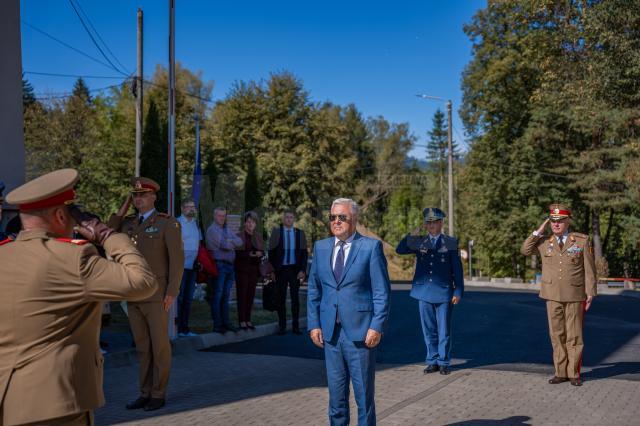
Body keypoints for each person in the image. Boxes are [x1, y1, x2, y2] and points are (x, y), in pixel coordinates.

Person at [0, 169, 156, 425]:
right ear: (61, 215)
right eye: (73, 215)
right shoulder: (72, 259)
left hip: (7, 406)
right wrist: (106, 234)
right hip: (54, 406)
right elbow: (142, 281)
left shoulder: (3, 255)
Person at [307, 198, 391, 426]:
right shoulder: (321, 247)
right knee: (336, 400)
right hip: (331, 335)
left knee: (364, 399)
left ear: (354, 219)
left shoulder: (370, 248)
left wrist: (376, 326)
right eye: (332, 217)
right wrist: (314, 324)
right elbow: (314, 289)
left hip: (361, 335)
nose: (336, 221)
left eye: (341, 217)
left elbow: (381, 292)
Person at [108, 177, 184, 411]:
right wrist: (122, 208)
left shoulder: (166, 223)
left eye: (142, 195)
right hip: (134, 294)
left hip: (157, 294)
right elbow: (109, 232)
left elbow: (177, 261)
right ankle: (144, 392)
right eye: (135, 195)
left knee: (159, 346)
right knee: (142, 347)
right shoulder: (129, 223)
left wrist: (172, 292)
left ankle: (158, 394)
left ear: (153, 197)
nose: (138, 198)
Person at [521, 203, 597, 387]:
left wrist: (590, 292)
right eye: (553, 221)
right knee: (556, 335)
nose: (556, 224)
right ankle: (560, 372)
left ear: (568, 221)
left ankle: (574, 373)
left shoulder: (580, 240)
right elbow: (525, 250)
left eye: (560, 221)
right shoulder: (544, 241)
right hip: (552, 294)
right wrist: (539, 230)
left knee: (574, 336)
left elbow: (589, 269)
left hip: (574, 293)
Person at [395, 207, 464, 375]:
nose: (431, 225)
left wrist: (458, 291)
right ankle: (432, 360)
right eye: (428, 222)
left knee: (444, 330)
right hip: (423, 292)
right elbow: (400, 249)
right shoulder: (420, 242)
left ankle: (444, 361)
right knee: (428, 329)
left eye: (434, 222)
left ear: (441, 223)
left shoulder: (450, 242)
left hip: (444, 292)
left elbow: (457, 269)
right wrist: (414, 232)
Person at [268, 209, 308, 335]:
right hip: (281, 270)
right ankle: (282, 326)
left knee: (295, 299)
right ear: (283, 219)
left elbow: (304, 254)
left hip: (294, 270)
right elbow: (271, 253)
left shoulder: (299, 234)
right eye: (287, 217)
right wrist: (272, 271)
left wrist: (302, 270)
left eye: (291, 217)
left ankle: (295, 327)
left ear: (293, 219)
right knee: (281, 299)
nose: (289, 219)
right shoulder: (276, 233)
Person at [205, 207, 243, 333]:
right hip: (219, 265)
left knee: (226, 296)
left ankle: (226, 323)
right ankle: (217, 325)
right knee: (218, 295)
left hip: (230, 266)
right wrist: (230, 241)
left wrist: (230, 241)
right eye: (219, 216)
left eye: (223, 216)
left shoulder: (226, 229)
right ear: (214, 216)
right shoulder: (212, 230)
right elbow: (226, 246)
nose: (222, 218)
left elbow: (240, 242)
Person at [234, 211, 265, 330]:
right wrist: (251, 254)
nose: (250, 224)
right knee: (242, 295)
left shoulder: (258, 236)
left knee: (250, 296)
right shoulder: (239, 236)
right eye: (248, 222)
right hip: (242, 270)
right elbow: (237, 253)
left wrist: (260, 254)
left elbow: (262, 251)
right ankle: (241, 320)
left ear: (256, 224)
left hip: (254, 270)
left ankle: (248, 320)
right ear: (245, 223)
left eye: (252, 222)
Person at [177, 197, 201, 337]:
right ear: (182, 208)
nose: (191, 209)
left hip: (192, 267)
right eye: (188, 206)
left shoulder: (194, 224)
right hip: (180, 267)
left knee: (188, 298)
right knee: (179, 299)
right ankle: (178, 328)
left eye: (193, 206)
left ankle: (185, 328)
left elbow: (198, 244)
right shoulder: (177, 223)